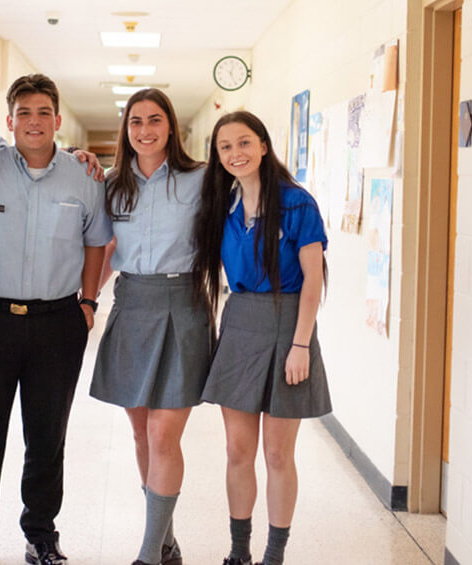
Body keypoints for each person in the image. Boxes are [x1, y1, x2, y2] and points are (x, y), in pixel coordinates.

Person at [0, 74, 110, 565]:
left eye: (43, 113)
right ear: (9, 120)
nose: (34, 122)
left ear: (58, 120)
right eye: (24, 113)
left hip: (57, 323)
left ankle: (41, 535)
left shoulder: (84, 175)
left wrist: (87, 303)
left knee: (46, 436)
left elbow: (96, 242)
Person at [192, 111, 331, 565]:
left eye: (245, 142)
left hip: (288, 323)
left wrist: (300, 345)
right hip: (241, 323)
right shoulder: (223, 204)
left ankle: (274, 555)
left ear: (265, 146)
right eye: (226, 146)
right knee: (237, 449)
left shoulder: (296, 203)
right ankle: (238, 552)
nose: (236, 153)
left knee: (276, 452)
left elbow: (313, 281)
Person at [88, 88, 212, 565]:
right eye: (135, 121)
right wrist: (88, 302)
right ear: (126, 129)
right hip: (132, 307)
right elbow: (103, 251)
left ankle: (147, 553)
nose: (145, 130)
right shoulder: (111, 183)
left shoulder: (201, 179)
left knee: (164, 436)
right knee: (141, 435)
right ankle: (166, 541)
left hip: (183, 306)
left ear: (171, 125)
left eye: (154, 120)